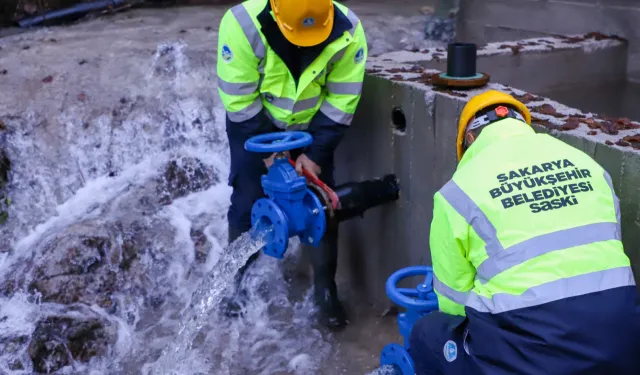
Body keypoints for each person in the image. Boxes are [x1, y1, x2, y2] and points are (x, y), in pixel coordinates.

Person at [409, 90, 640, 374]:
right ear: (522, 125)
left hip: (533, 361)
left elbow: (454, 303)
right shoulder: (589, 166)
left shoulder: (456, 193)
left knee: (426, 334)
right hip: (623, 344)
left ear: (469, 139)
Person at [216, 0, 367, 329]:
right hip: (255, 125)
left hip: (312, 130)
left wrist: (315, 155)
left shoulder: (349, 31)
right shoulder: (242, 24)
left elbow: (342, 99)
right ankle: (234, 284)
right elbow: (239, 99)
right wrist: (270, 156)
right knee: (247, 200)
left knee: (321, 206)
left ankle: (325, 288)